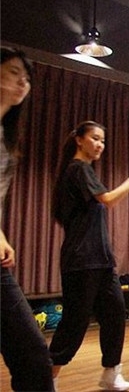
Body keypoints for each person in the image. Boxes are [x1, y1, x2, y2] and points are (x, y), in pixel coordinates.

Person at [49, 120, 129, 390]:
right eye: (94, 138)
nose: (100, 145)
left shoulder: (83, 171)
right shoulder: (78, 168)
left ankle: (111, 372)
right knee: (75, 322)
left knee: (115, 314)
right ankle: (47, 378)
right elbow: (108, 199)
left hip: (101, 260)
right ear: (79, 139)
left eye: (102, 140)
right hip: (82, 261)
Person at [0, 47, 54, 391]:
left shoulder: (6, 135)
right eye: (13, 72)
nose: (23, 82)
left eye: (27, 77)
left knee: (33, 356)